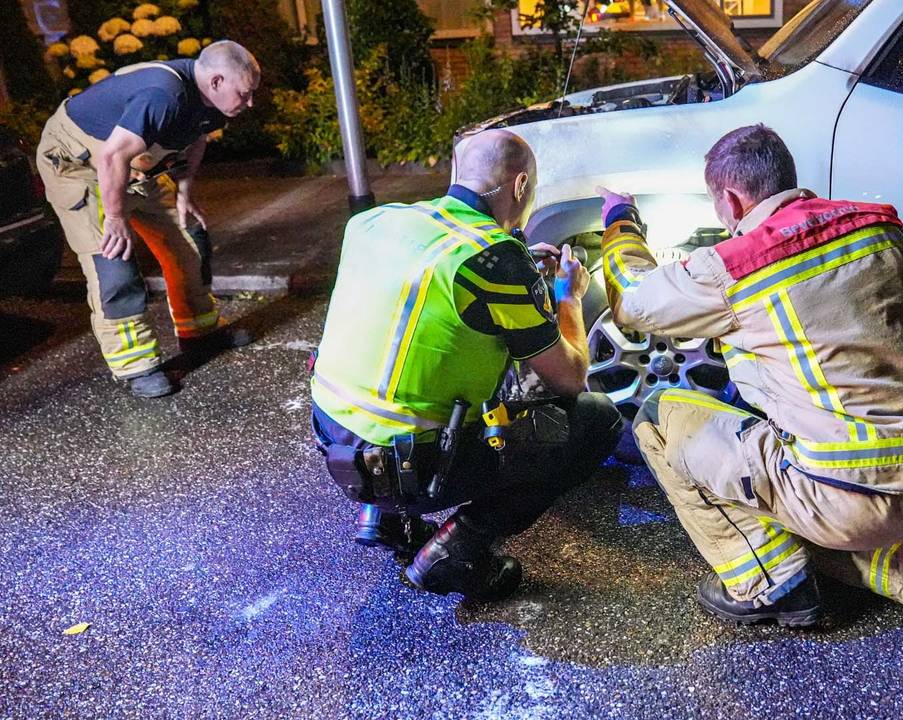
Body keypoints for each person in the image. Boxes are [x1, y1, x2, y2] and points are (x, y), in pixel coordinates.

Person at [597, 124, 903, 636]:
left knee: (661, 415)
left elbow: (632, 297)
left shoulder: (734, 268)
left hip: (843, 490)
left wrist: (619, 219)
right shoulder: (879, 228)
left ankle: (767, 586)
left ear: (733, 200)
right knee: (799, 515)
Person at [311, 129, 622, 600]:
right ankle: (456, 551)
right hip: (411, 467)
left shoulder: (376, 221)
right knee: (597, 420)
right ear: (520, 188)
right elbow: (570, 377)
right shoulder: (495, 261)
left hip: (331, 435)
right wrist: (567, 298)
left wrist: (512, 268)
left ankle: (385, 518)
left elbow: (425, 299)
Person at [35, 41, 260, 397]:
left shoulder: (212, 100)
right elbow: (111, 157)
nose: (250, 104)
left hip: (136, 167)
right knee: (114, 261)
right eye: (244, 94)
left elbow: (196, 137)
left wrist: (185, 191)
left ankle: (200, 332)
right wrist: (117, 217)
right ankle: (136, 365)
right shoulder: (163, 95)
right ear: (216, 81)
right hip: (82, 167)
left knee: (189, 237)